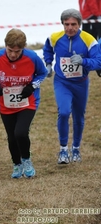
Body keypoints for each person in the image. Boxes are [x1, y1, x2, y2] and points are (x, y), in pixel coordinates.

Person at [43, 8, 101, 165]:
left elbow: (99, 61)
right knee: (63, 112)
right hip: (62, 82)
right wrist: (48, 64)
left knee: (78, 117)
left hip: (81, 84)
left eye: (74, 24)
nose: (70, 28)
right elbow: (47, 48)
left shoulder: (89, 40)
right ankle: (63, 150)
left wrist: (83, 61)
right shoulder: (55, 37)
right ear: (62, 24)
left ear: (79, 24)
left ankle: (76, 148)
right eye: (67, 24)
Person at [0, 29, 47, 179]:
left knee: (20, 132)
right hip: (6, 103)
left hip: (27, 101)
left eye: (17, 51)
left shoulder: (32, 57)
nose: (13, 54)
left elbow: (43, 73)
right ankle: (16, 164)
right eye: (10, 50)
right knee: (11, 136)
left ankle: (26, 160)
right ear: (5, 46)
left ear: (24, 48)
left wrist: (32, 86)